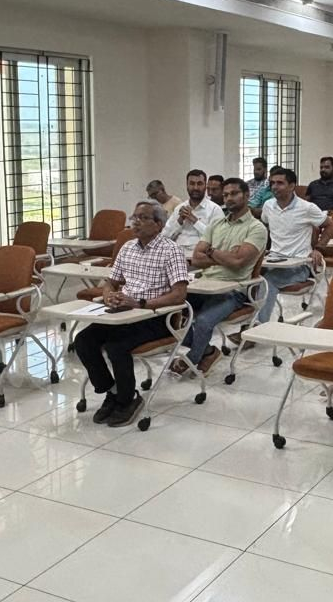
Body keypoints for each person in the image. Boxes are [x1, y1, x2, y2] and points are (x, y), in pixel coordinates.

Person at [74, 201, 189, 427]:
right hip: (123, 312)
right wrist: (109, 296)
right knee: (83, 340)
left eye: (143, 218)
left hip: (155, 317)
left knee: (117, 346)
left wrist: (142, 303)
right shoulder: (127, 248)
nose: (135, 222)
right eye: (134, 217)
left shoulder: (171, 250)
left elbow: (179, 295)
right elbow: (111, 282)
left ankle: (127, 400)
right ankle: (113, 390)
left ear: (159, 224)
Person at [174, 178, 266, 377]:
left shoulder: (257, 228)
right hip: (204, 284)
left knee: (203, 322)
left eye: (234, 194)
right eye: (225, 195)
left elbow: (237, 262)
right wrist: (223, 256)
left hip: (233, 290)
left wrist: (211, 251)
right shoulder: (216, 224)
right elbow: (197, 259)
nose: (229, 198)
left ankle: (192, 359)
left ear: (247, 195)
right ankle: (208, 351)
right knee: (170, 314)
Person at [257, 167, 333, 325]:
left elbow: (330, 225)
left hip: (299, 265)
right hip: (273, 261)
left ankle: (258, 326)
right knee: (247, 278)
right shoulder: (268, 205)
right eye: (272, 183)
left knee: (267, 281)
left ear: (292, 186)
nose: (274, 187)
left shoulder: (307, 208)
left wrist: (319, 248)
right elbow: (266, 225)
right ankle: (249, 322)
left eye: (280, 183)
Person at [162, 168, 223, 258]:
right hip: (177, 256)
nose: (195, 188)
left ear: (205, 186)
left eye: (199, 184)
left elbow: (218, 239)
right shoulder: (179, 208)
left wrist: (195, 221)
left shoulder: (215, 209)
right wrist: (179, 221)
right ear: (187, 185)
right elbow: (164, 237)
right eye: (192, 184)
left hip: (201, 258)